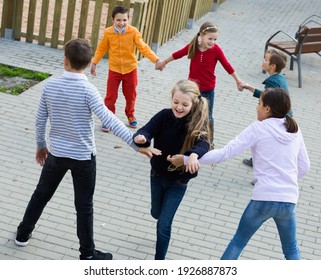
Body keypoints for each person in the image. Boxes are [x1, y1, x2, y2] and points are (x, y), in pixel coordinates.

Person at [14, 38, 159, 260]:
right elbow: (109, 119)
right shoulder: (88, 90)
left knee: (41, 194)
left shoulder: (50, 85)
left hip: (56, 155)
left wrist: (41, 146)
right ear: (90, 61)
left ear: (65, 61)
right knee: (84, 206)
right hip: (83, 158)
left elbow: (40, 120)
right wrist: (133, 143)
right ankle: (87, 254)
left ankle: (22, 235)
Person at [168, 88, 310, 260]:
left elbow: (223, 154)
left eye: (259, 104)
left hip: (263, 199)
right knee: (291, 250)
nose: (257, 108)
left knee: (238, 242)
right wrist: (286, 182)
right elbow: (305, 166)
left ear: (267, 109)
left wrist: (184, 159)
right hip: (289, 200)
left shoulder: (258, 128)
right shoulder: (294, 129)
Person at [133, 80, 210, 260]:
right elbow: (146, 130)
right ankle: (159, 217)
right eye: (176, 102)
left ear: (193, 104)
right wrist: (141, 137)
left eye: (184, 104)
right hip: (157, 175)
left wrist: (192, 155)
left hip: (178, 181)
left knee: (163, 225)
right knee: (156, 213)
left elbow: (204, 144)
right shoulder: (164, 116)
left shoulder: (197, 122)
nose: (179, 107)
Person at [157, 21, 243, 146]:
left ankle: (208, 141)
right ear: (202, 35)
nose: (212, 42)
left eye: (215, 39)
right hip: (192, 90)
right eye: (210, 38)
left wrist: (238, 80)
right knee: (189, 113)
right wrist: (164, 62)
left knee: (207, 116)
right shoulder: (193, 46)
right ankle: (185, 139)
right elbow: (178, 54)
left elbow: (227, 65)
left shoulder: (216, 50)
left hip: (208, 89)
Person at [90, 5, 163, 132]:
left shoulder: (133, 31)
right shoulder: (108, 32)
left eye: (124, 20)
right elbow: (101, 48)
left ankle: (130, 115)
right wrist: (94, 62)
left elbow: (143, 47)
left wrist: (156, 59)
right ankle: (108, 118)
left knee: (130, 96)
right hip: (114, 70)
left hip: (130, 70)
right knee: (110, 96)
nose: (121, 23)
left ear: (128, 19)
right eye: (118, 20)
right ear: (113, 20)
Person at [242, 49, 290, 167]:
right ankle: (256, 161)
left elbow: (268, 100)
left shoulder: (272, 81)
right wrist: (250, 88)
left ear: (272, 66)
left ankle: (261, 168)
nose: (263, 61)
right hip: (283, 116)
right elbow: (266, 95)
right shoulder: (280, 78)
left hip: (275, 117)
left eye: (266, 59)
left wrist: (263, 115)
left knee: (266, 141)